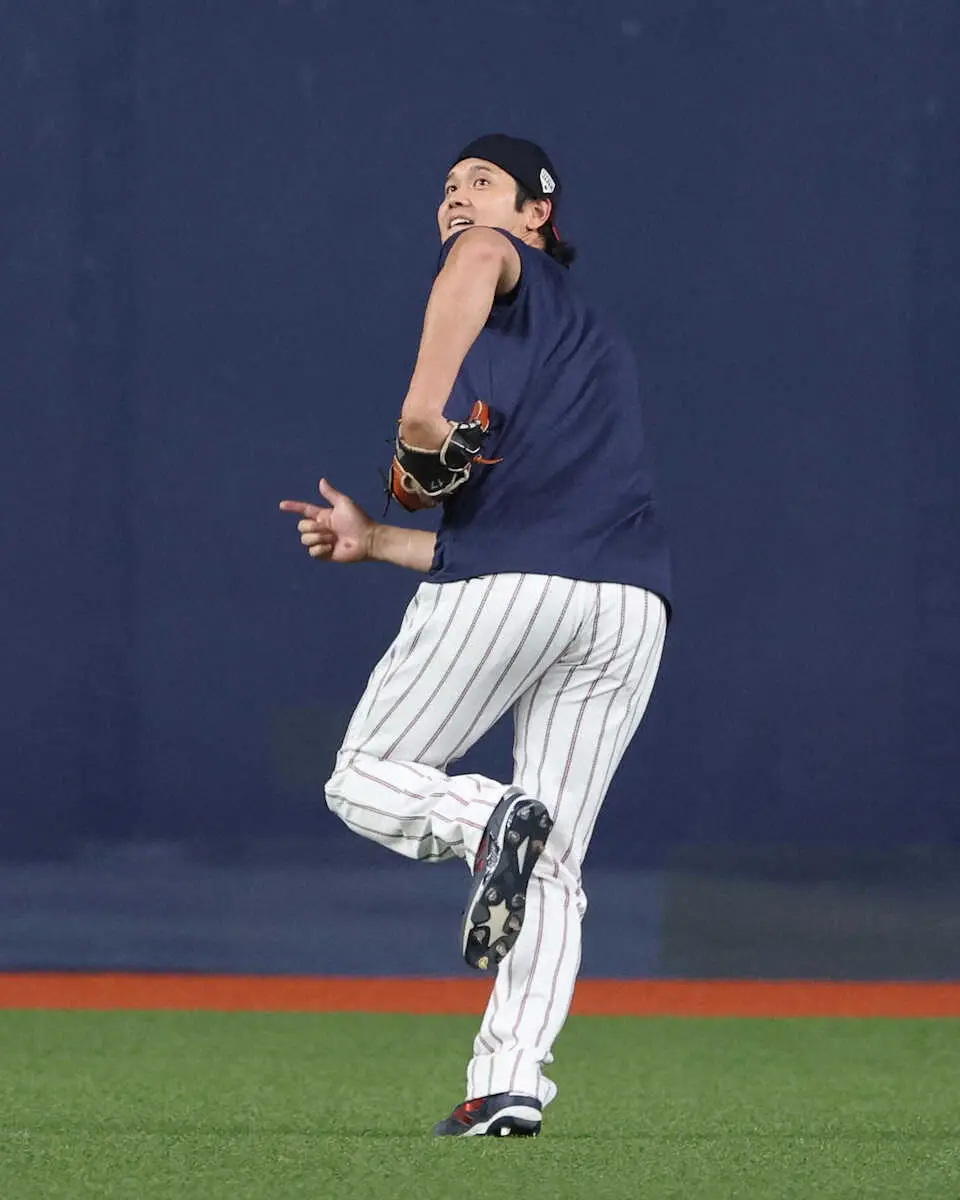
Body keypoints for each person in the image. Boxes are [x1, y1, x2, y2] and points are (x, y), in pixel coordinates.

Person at [279, 134, 671, 1138]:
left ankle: (486, 817)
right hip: (628, 608)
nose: (459, 199)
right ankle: (510, 1083)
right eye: (449, 187)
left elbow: (476, 263)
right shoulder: (585, 346)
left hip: (515, 591)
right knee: (556, 862)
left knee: (364, 775)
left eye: (484, 183)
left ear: (538, 212)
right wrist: (376, 541)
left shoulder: (489, 258)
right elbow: (510, 527)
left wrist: (420, 410)